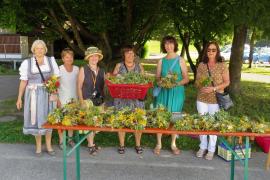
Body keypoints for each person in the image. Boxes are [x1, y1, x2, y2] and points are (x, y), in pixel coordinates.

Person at [16, 40, 60, 156]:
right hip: (33, 95)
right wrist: (19, 98)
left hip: (48, 94)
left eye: (42, 48)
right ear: (33, 50)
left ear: (45, 49)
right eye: (37, 48)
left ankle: (49, 145)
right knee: (36, 120)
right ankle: (39, 147)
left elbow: (56, 78)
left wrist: (53, 86)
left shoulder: (51, 61)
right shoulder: (27, 63)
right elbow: (23, 81)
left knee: (49, 118)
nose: (39, 50)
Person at [154, 36, 189, 155]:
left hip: (177, 92)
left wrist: (175, 83)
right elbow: (157, 78)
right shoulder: (161, 61)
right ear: (163, 46)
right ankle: (159, 143)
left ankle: (173, 144)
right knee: (161, 115)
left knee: (175, 116)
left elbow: (186, 79)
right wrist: (162, 83)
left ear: (175, 45)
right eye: (166, 44)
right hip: (164, 92)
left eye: (171, 43)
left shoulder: (180, 60)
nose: (168, 46)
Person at [195, 41, 230, 160]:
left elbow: (227, 82)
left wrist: (214, 88)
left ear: (217, 51)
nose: (211, 52)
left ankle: (211, 149)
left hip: (215, 99)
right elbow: (197, 81)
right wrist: (201, 87)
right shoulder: (201, 65)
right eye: (209, 50)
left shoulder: (222, 65)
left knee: (213, 124)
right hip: (202, 98)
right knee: (202, 123)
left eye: (213, 50)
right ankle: (202, 147)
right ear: (206, 51)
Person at [112, 45, 145, 154]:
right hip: (122, 99)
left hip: (136, 99)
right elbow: (113, 81)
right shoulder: (119, 66)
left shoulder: (139, 67)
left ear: (134, 55)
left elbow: (144, 82)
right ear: (124, 55)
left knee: (138, 120)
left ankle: (138, 144)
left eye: (132, 53)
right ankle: (122, 145)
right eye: (127, 53)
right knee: (122, 121)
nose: (130, 55)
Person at [77, 46, 105, 155]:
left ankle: (92, 143)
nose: (94, 58)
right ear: (88, 58)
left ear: (98, 58)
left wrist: (103, 102)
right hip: (87, 100)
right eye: (91, 56)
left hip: (98, 101)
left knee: (96, 123)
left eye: (96, 56)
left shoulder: (102, 71)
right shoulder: (83, 69)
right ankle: (90, 145)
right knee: (89, 122)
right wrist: (81, 101)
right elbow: (79, 87)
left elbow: (102, 88)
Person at [57, 48, 79, 149]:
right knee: (61, 121)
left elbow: (79, 85)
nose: (69, 59)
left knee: (72, 120)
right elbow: (54, 86)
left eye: (71, 57)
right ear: (63, 58)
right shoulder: (59, 69)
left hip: (74, 99)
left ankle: (70, 139)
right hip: (62, 99)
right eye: (66, 57)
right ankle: (61, 141)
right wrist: (57, 100)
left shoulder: (77, 69)